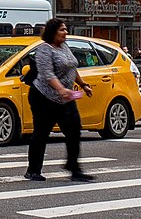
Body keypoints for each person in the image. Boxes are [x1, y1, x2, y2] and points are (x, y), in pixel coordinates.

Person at [24, 18, 94, 183]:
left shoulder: (64, 47)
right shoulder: (44, 50)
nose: (65, 32)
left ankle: (74, 167)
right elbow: (47, 74)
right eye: (62, 30)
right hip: (43, 98)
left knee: (74, 130)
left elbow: (72, 67)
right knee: (41, 133)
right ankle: (33, 170)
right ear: (52, 32)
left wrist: (83, 85)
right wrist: (61, 89)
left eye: (66, 29)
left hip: (66, 98)